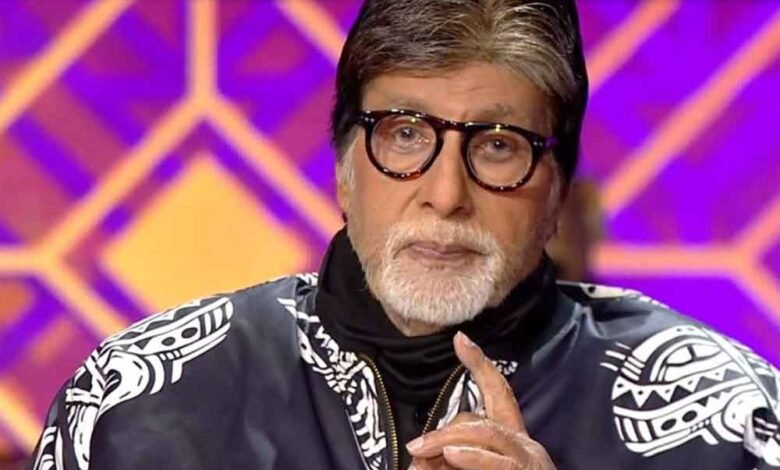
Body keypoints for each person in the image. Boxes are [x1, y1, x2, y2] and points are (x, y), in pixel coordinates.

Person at [29, 1, 779, 469]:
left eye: (498, 146)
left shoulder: (730, 421)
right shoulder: (137, 402)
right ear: (343, 171)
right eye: (406, 134)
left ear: (559, 194)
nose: (445, 195)